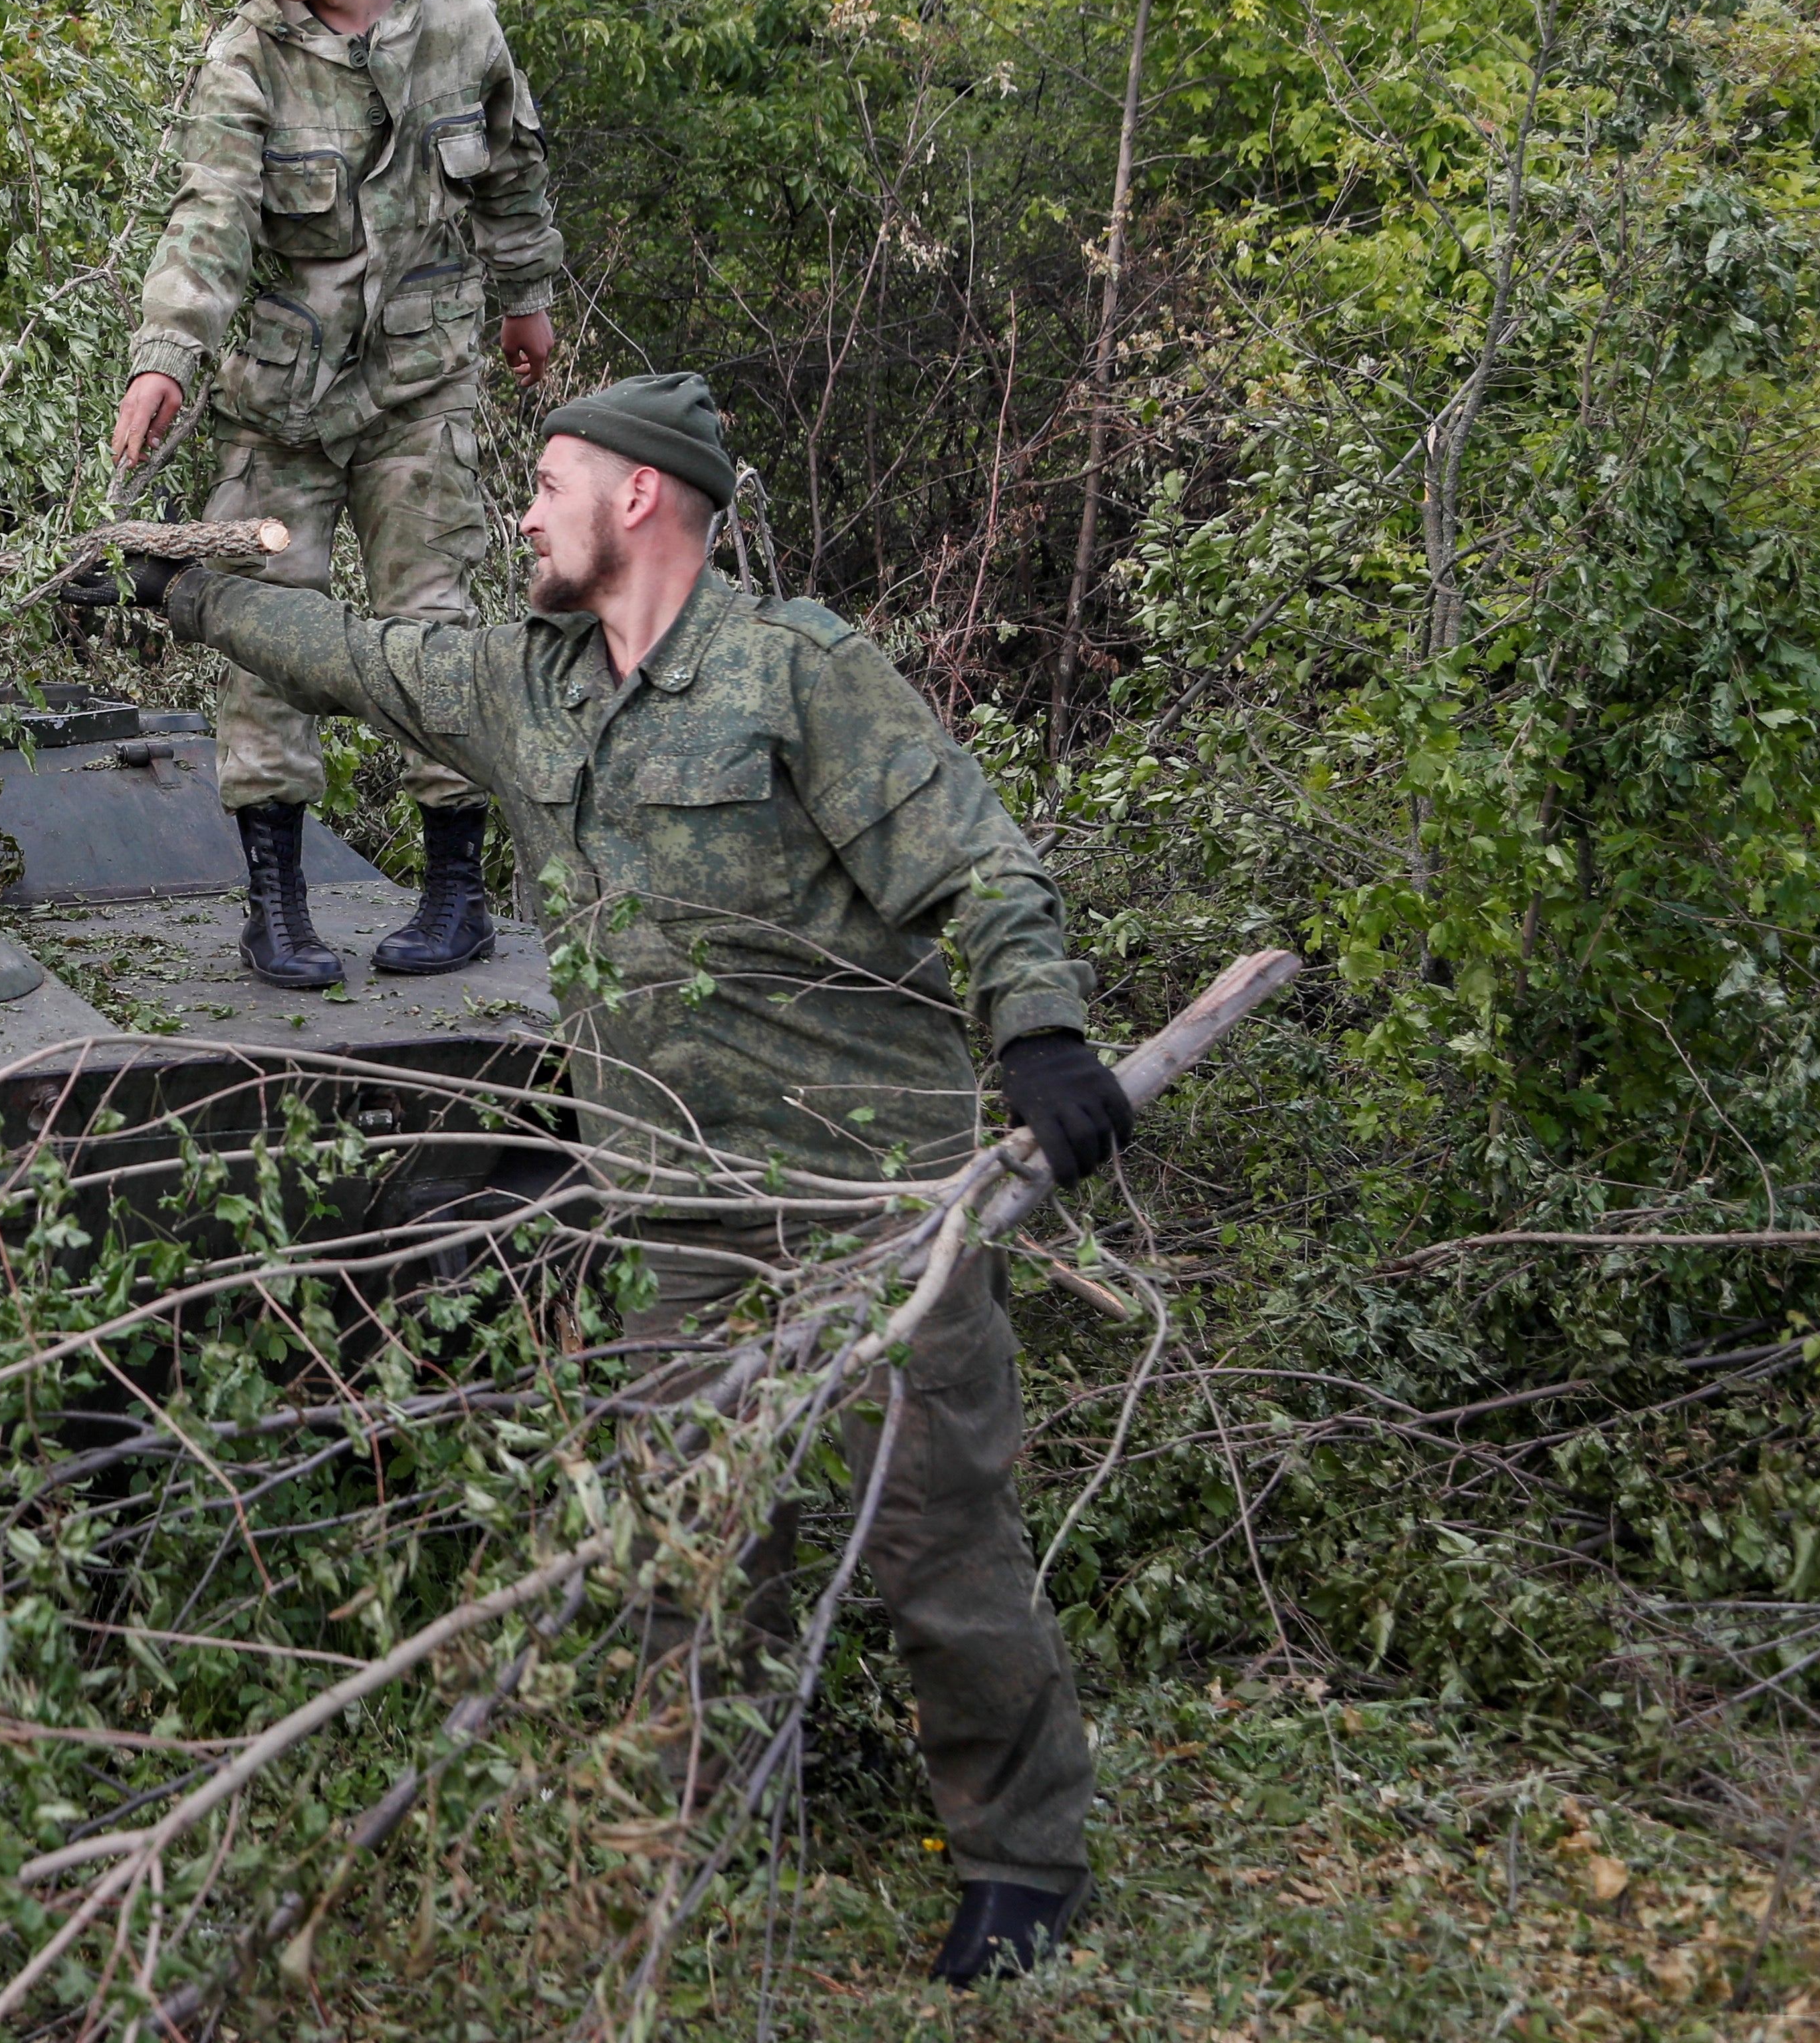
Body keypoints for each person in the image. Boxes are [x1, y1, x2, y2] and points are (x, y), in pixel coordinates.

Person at [70, 372, 1139, 1986]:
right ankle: (683, 1835)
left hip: (867, 1194)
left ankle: (1019, 1862)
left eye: (548, 482)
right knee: (686, 1546)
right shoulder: (525, 683)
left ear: (639, 497)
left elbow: (977, 860)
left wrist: (1043, 1034)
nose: (520, 514)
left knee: (938, 1548)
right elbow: (356, 657)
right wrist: (187, 593)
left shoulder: (798, 673)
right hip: (672, 1204)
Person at [114, 0, 563, 991]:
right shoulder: (244, 53)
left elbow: (512, 176)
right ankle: (278, 908)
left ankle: (455, 896)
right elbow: (210, 216)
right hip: (280, 403)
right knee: (267, 637)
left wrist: (527, 303)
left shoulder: (461, 27)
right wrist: (168, 352)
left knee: (432, 627)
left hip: (422, 387)